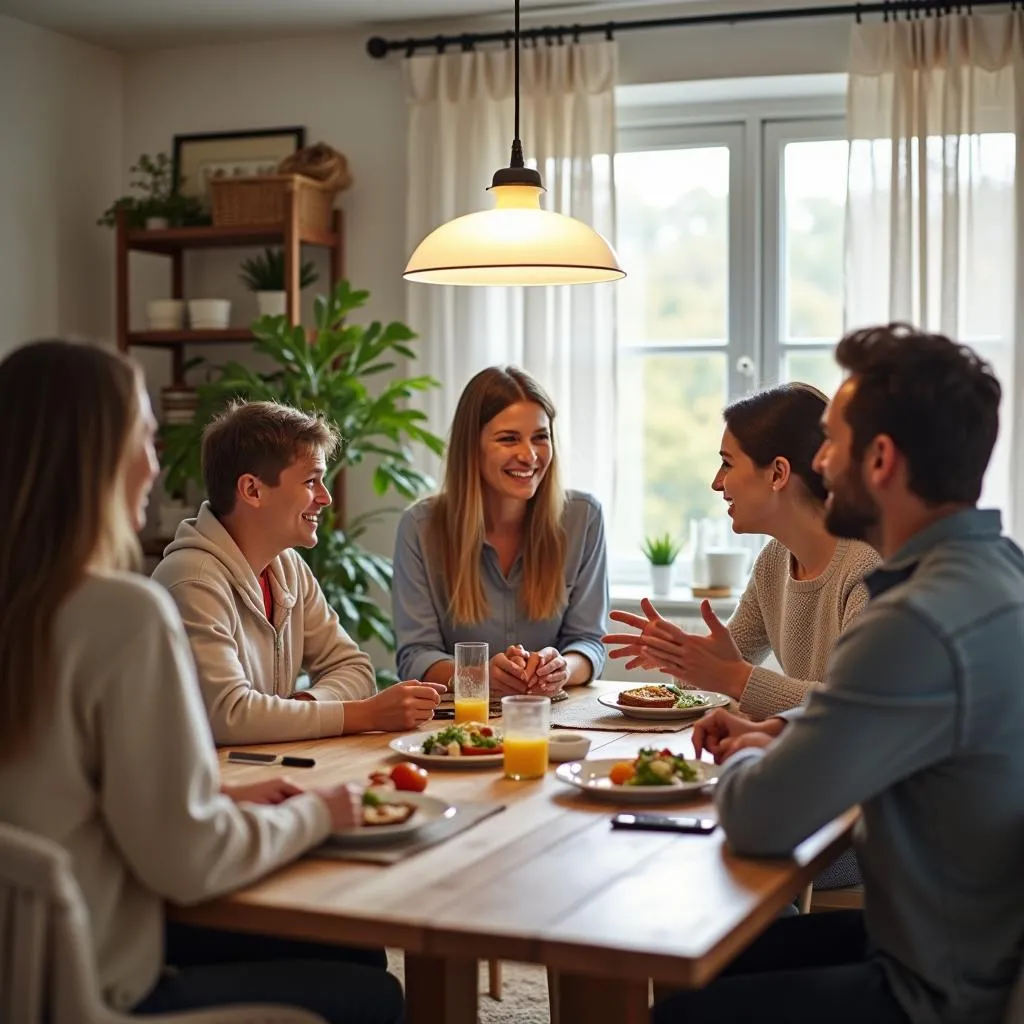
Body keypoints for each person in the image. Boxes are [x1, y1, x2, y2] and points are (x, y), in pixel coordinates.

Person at [0, 340, 403, 1023]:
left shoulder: (32, 606)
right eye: (146, 439)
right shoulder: (124, 613)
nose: (156, 467)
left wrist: (218, 790)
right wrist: (317, 813)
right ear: (96, 458)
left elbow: (61, 787)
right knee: (374, 991)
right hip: (103, 985)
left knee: (352, 949)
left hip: (22, 967)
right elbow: (188, 863)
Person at [653, 324, 1024, 1024]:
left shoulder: (913, 620)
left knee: (683, 1009)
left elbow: (758, 818)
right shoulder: (998, 569)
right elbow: (887, 714)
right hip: (972, 945)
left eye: (832, 441)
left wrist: (739, 759)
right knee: (701, 959)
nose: (819, 461)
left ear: (879, 459)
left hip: (934, 989)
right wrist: (782, 729)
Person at [152, 400, 445, 745]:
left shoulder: (287, 566)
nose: (326, 498)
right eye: (311, 481)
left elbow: (354, 668)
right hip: (205, 790)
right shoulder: (193, 579)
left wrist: (303, 706)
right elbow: (228, 715)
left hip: (260, 773)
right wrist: (365, 714)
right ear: (252, 490)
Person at [605, 383, 879, 722]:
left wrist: (734, 677)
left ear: (778, 473)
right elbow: (709, 684)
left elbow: (856, 708)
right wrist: (682, 657)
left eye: (726, 464)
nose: (717, 483)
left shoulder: (868, 568)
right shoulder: (774, 561)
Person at [392, 366, 608, 697]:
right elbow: (415, 655)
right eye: (508, 439)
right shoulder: (420, 528)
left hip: (553, 716)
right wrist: (476, 675)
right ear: (471, 446)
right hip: (460, 723)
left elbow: (588, 642)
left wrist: (562, 668)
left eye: (540, 437)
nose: (529, 455)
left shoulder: (584, 518)